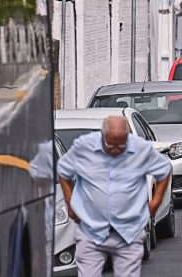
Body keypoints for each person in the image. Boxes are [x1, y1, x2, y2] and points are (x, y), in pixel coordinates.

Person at [58, 115, 172, 277]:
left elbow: (164, 170)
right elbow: (64, 172)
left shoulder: (140, 149)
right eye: (111, 144)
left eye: (121, 144)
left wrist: (155, 202)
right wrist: (70, 205)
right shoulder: (84, 147)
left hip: (128, 232)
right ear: (103, 136)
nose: (116, 149)